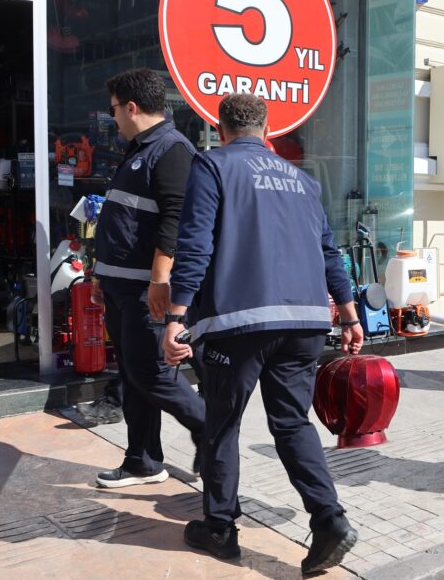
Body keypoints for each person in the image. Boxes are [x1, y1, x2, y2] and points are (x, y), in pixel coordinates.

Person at [161, 94, 364, 574]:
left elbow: (195, 244)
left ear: (220, 126)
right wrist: (351, 315)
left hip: (239, 325)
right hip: (307, 323)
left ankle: (220, 529)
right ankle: (330, 520)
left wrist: (175, 315)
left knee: (222, 426)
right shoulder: (303, 180)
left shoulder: (212, 167)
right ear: (266, 128)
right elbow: (331, 253)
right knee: (292, 424)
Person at [91, 68, 206, 488]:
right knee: (133, 376)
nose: (113, 118)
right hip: (122, 285)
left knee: (151, 374)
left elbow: (176, 221)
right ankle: (142, 460)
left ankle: (209, 429)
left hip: (146, 288)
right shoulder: (141, 148)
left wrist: (160, 281)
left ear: (133, 107)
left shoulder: (172, 150)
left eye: (115, 110)